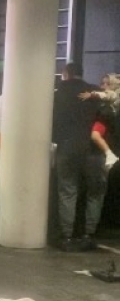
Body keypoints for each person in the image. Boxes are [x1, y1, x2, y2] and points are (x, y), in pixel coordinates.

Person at [52, 62, 106, 251]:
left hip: (68, 147)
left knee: (68, 190)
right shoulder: (96, 93)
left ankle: (67, 237)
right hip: (94, 150)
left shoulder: (57, 95)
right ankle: (88, 235)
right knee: (95, 192)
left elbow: (53, 123)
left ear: (66, 74)